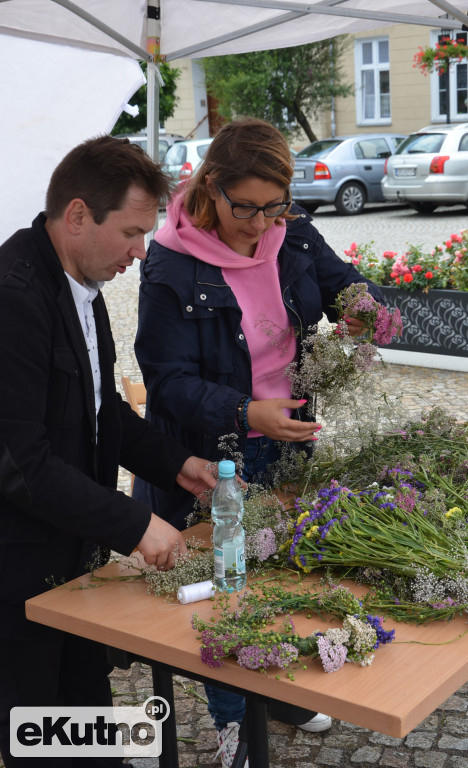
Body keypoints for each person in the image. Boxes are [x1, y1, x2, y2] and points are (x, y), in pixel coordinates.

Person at [133, 118, 385, 767]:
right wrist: (247, 410)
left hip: (287, 439)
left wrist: (366, 309)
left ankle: (278, 689)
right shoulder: (171, 260)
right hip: (208, 457)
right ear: (212, 187)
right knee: (226, 591)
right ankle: (233, 727)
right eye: (246, 207)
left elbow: (341, 284)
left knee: (281, 572)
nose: (261, 223)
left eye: (275, 206)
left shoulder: (291, 233)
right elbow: (167, 384)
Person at [0, 136, 218, 768]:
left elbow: (103, 413)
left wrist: (175, 463)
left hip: (71, 565)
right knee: (40, 745)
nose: (140, 251)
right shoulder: (14, 297)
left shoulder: (82, 284)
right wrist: (135, 524)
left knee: (91, 734)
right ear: (76, 216)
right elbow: (21, 461)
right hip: (18, 582)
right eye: (130, 232)